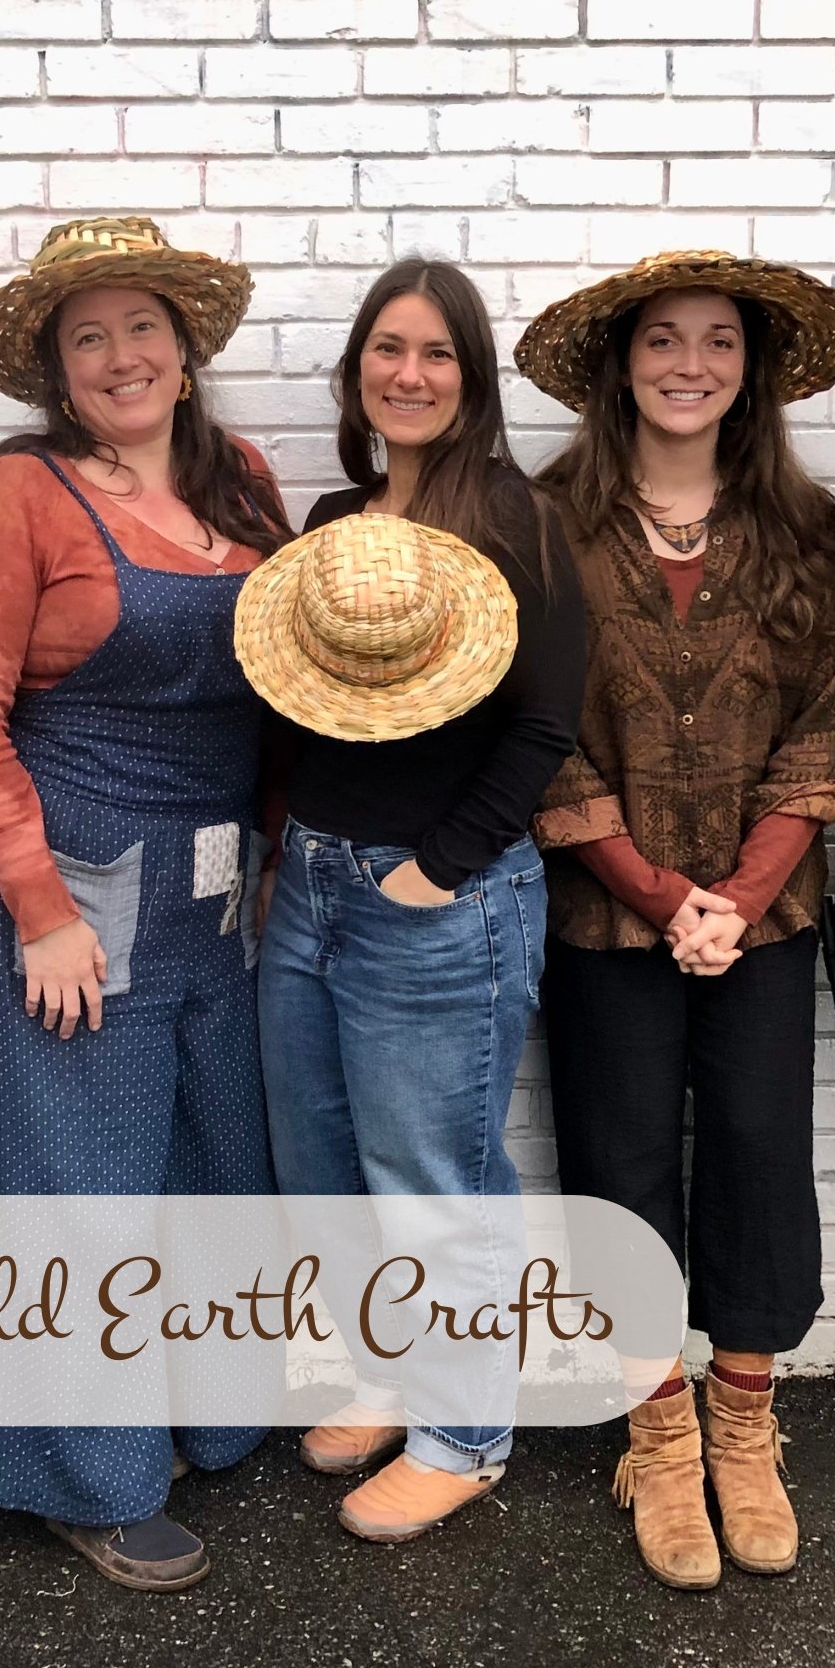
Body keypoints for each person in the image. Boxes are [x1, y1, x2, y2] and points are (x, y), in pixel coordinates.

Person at [0, 217, 288, 1592]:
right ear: (57, 371)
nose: (120, 354)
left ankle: (199, 1412)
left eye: (143, 327)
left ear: (185, 351)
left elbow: (288, 679)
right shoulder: (20, 492)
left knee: (206, 1150)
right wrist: (37, 908)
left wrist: (273, 848)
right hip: (72, 878)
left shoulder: (243, 482)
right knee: (74, 1177)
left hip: (212, 880)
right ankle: (80, 1472)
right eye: (89, 337)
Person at [516, 251, 835, 1588]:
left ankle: (744, 1423)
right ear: (621, 363)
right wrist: (661, 895)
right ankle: (656, 1433)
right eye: (663, 338)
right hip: (605, 913)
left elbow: (819, 725)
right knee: (619, 1157)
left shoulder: (805, 530)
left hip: (762, 918)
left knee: (761, 1152)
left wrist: (740, 895)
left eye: (718, 341)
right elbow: (537, 729)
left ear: (751, 370)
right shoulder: (548, 522)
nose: (690, 364)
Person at [239, 259, 586, 1544]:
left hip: (440, 896)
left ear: (471, 378)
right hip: (313, 882)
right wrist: (291, 854)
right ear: (353, 373)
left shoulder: (520, 520)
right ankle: (387, 1378)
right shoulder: (333, 519)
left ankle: (463, 1435)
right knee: (324, 1166)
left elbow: (546, 722)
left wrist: (438, 865)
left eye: (436, 352)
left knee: (435, 1180)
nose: (408, 373)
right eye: (387, 348)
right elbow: (303, 707)